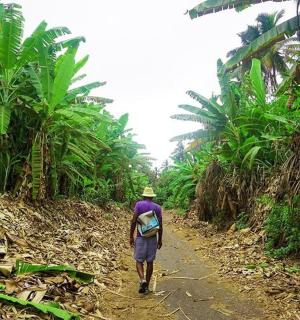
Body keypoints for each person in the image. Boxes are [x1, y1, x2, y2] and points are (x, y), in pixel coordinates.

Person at [129, 187, 163, 294]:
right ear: (152, 197)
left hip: (141, 237)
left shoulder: (139, 205)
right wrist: (160, 239)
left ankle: (142, 279)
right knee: (150, 261)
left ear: (144, 196)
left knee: (139, 260)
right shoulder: (157, 207)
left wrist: (131, 235)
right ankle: (146, 286)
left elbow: (134, 220)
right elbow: (160, 225)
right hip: (152, 238)